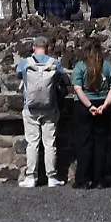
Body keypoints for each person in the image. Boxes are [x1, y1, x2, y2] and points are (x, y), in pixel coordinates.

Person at [18, 33, 65, 187]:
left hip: (30, 108)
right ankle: (51, 177)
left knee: (32, 143)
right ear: (48, 48)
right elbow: (61, 80)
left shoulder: (25, 63)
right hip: (50, 107)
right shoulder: (55, 63)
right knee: (50, 143)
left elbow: (19, 76)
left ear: (33, 47)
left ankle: (31, 177)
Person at [71, 39, 111, 189]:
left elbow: (78, 89)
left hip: (83, 106)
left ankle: (83, 179)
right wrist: (105, 105)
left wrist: (89, 106)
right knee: (100, 143)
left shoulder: (80, 67)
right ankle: (99, 179)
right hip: (102, 104)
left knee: (84, 143)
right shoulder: (108, 67)